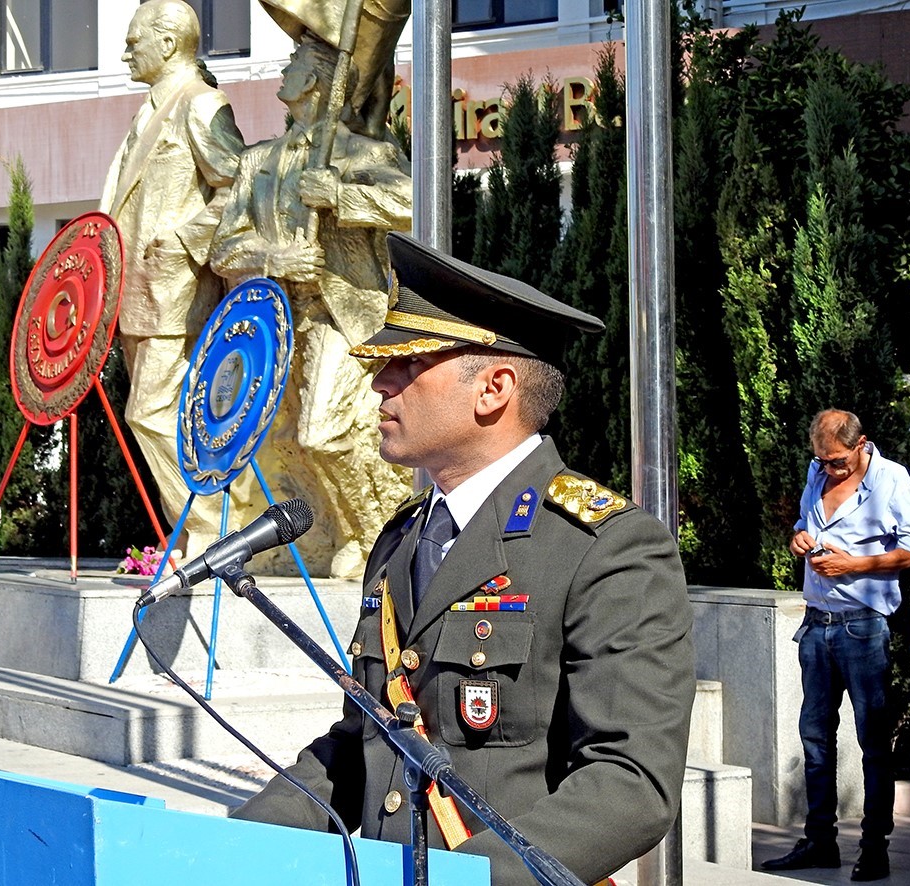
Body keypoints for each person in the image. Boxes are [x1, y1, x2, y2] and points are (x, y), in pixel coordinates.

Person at [230, 232, 697, 886]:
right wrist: (224, 848)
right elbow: (363, 746)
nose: (378, 382)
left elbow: (628, 785)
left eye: (409, 364)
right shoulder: (402, 540)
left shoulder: (604, 545)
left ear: (493, 389)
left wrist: (461, 881)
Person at [209, 34, 413, 580]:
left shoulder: (362, 152)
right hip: (274, 322)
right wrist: (274, 257)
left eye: (296, 62)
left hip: (340, 314)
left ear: (322, 81)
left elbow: (416, 204)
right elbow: (223, 247)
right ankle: (320, 536)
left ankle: (374, 536)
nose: (285, 68)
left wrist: (344, 198)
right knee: (281, 446)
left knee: (322, 431)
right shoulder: (258, 161)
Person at [99, 0, 246, 556]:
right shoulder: (148, 110)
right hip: (135, 294)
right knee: (172, 415)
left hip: (174, 290)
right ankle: (189, 534)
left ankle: (214, 531)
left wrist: (184, 240)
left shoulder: (201, 105)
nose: (124, 52)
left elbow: (238, 187)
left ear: (167, 43)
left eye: (134, 41)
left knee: (152, 413)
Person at [762, 409, 910, 882]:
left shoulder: (892, 479)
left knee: (873, 740)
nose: (829, 469)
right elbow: (801, 528)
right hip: (816, 624)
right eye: (822, 460)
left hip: (863, 626)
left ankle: (875, 848)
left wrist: (853, 566)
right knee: (814, 738)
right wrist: (798, 537)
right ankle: (820, 842)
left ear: (861, 444)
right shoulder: (817, 473)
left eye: (837, 461)